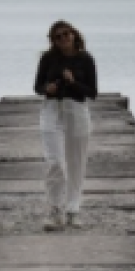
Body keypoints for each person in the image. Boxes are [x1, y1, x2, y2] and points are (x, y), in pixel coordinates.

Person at [33, 20, 98, 231]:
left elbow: (92, 93)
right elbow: (37, 86)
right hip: (52, 110)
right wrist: (47, 89)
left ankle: (73, 209)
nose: (63, 39)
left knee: (76, 162)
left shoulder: (86, 59)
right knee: (55, 162)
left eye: (66, 34)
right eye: (57, 37)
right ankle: (54, 209)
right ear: (53, 40)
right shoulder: (48, 58)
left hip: (76, 110)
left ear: (74, 34)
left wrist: (72, 82)